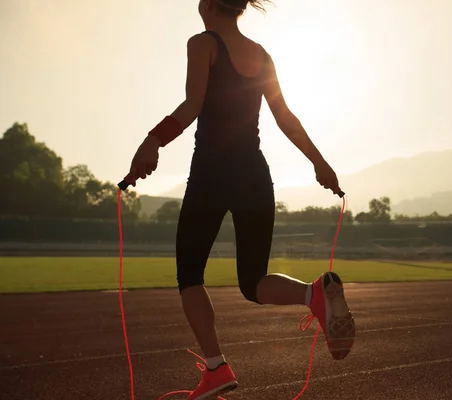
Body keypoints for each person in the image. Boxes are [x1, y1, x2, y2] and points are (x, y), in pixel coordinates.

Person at [125, 0, 355, 398]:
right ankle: (312, 293)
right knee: (253, 281)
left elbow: (191, 106)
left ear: (211, 4)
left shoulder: (203, 43)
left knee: (190, 273)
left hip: (213, 172)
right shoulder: (262, 55)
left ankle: (216, 367)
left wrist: (151, 141)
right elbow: (285, 117)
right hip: (254, 173)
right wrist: (320, 163)